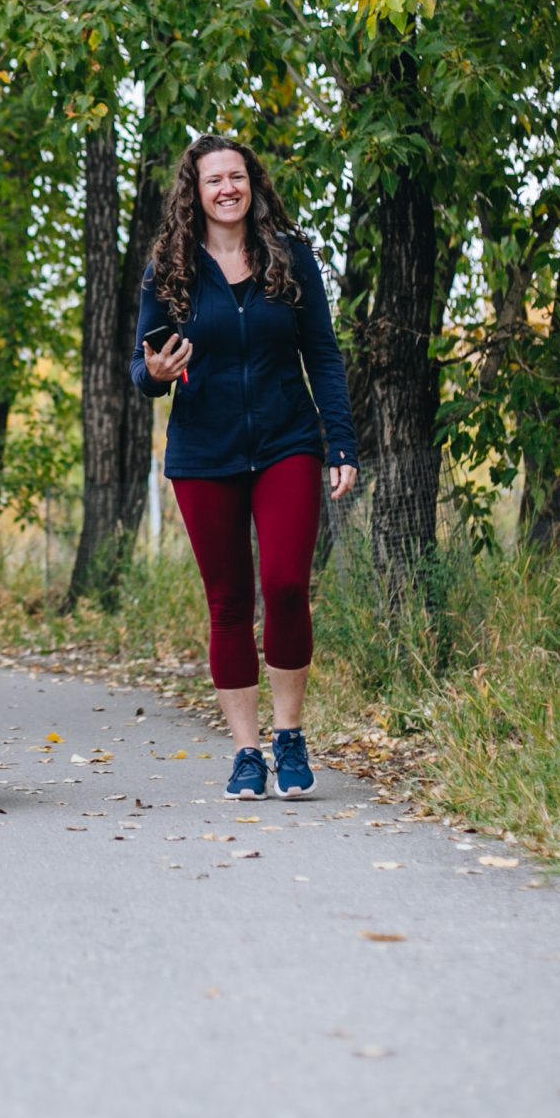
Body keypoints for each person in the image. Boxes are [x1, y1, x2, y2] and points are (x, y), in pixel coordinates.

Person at [132, 135, 357, 801]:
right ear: (193, 194)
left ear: (252, 183)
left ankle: (289, 731)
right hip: (204, 451)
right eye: (213, 180)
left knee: (286, 584)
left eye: (237, 176)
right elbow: (142, 366)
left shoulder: (291, 258)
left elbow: (323, 353)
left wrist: (340, 440)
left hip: (289, 438)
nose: (227, 187)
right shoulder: (168, 268)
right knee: (228, 601)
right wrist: (154, 372)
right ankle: (246, 750)